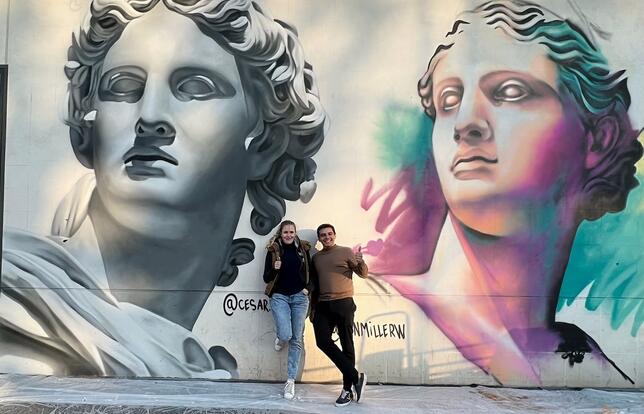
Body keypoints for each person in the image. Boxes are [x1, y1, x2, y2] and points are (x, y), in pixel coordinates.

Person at [0, 0, 326, 378]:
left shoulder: (194, 361)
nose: (150, 117)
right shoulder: (17, 307)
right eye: (123, 86)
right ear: (85, 133)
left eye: (196, 87)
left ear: (265, 144)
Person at [361, 0, 642, 385]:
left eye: (510, 91)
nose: (465, 123)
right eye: (448, 101)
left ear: (599, 138)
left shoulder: (584, 358)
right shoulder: (391, 307)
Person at [311, 224, 368, 407]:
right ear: (319, 239)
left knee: (347, 345)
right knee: (322, 341)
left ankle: (347, 390)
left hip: (343, 302)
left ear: (334, 235)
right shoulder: (316, 258)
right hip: (323, 305)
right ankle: (356, 377)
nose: (327, 237)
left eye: (329, 234)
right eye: (323, 235)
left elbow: (363, 274)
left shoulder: (345, 252)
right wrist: (312, 308)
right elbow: (315, 284)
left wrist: (360, 262)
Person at [262, 220, 313, 400]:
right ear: (280, 233)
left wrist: (308, 289)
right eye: (286, 232)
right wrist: (274, 269)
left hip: (300, 298)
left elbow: (311, 273)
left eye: (291, 232)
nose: (289, 235)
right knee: (286, 334)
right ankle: (281, 337)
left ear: (295, 233)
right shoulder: (273, 250)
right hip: (280, 297)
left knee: (297, 339)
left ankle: (290, 381)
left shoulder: (304, 249)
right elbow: (266, 277)